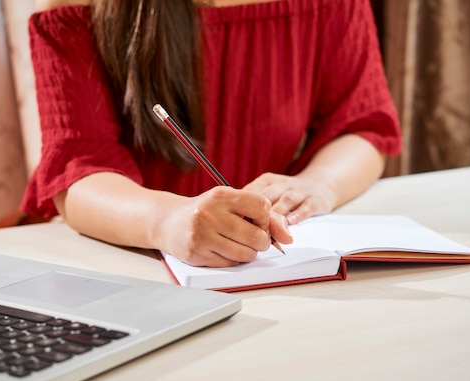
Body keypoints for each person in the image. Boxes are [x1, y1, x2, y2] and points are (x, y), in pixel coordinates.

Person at [21, 0, 402, 267]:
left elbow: (362, 125)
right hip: (131, 261)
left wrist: (319, 185)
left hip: (269, 266)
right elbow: (78, 172)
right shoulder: (75, 7)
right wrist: (168, 220)